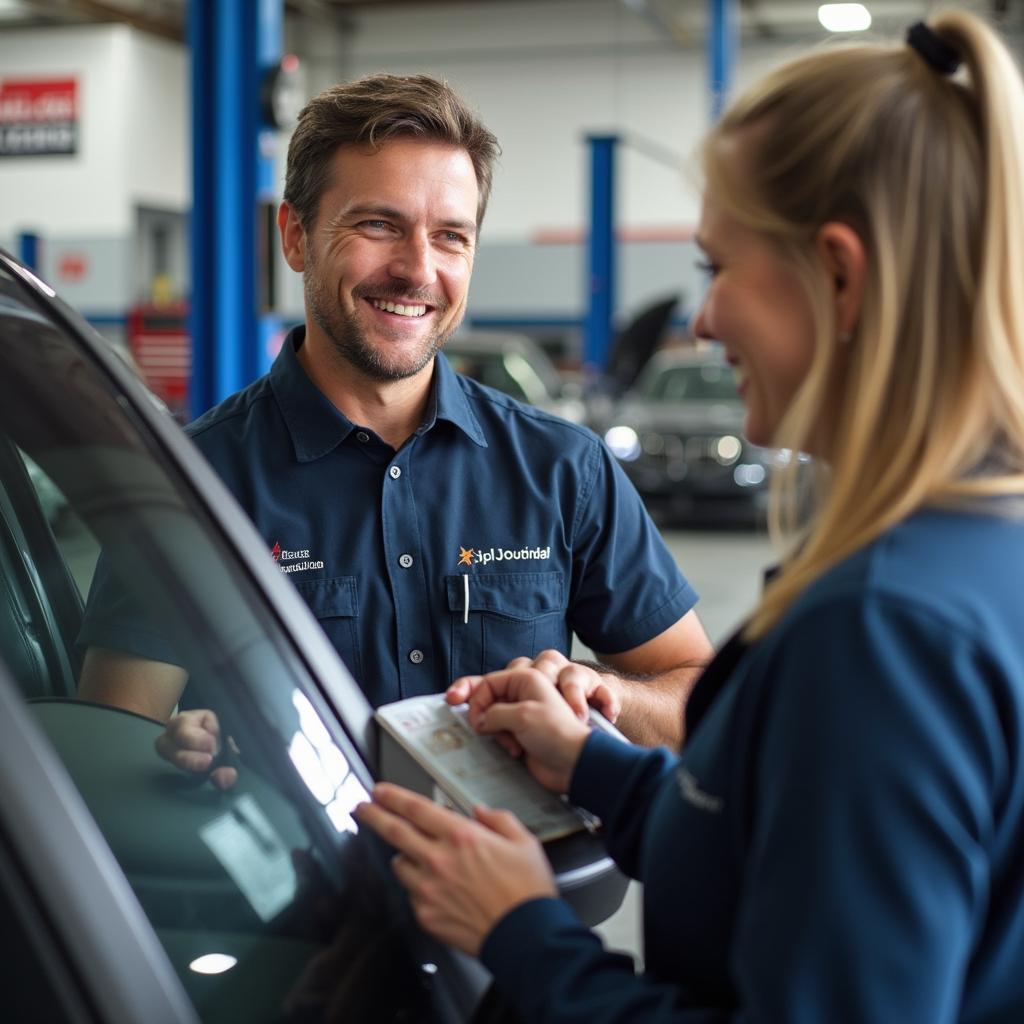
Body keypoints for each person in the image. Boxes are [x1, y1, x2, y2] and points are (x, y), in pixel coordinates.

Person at [356, 14, 1024, 1022]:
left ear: (837, 276)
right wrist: (600, 769)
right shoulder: (975, 557)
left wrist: (523, 934)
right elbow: (787, 844)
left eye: (717, 268)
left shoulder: (880, 630)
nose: (702, 320)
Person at [76, 73, 713, 777]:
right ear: (295, 236)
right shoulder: (189, 482)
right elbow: (112, 757)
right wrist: (185, 756)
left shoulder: (564, 470)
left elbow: (699, 698)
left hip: (521, 881)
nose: (418, 270)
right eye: (379, 225)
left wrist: (607, 696)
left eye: (450, 237)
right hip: (296, 881)